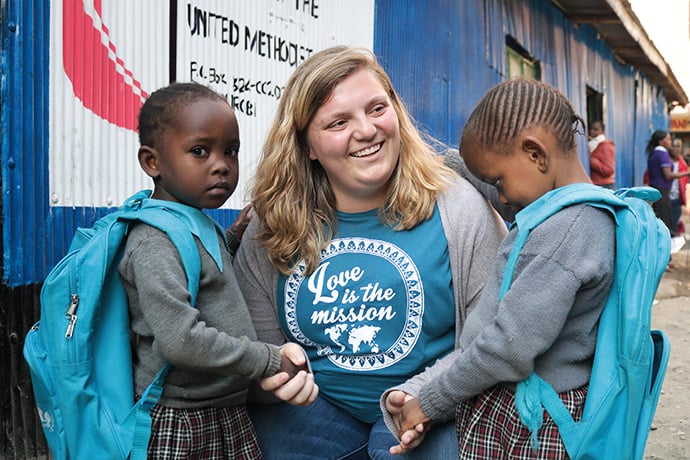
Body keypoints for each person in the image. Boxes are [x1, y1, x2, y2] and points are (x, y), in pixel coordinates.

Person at [232, 46, 507, 459]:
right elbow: (257, 354)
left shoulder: (457, 206)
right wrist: (272, 380)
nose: (366, 130)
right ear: (308, 145)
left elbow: (491, 337)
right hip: (317, 408)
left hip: (434, 401)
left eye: (376, 108)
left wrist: (421, 397)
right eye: (339, 122)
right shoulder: (271, 225)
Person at [382, 78, 617, 458]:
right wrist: (441, 162)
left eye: (499, 181)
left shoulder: (568, 231)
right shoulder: (564, 206)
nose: (501, 197)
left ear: (536, 155)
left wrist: (431, 399)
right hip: (523, 404)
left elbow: (508, 348)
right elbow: (507, 196)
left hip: (535, 423)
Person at [117, 82, 318, 458]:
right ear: (152, 162)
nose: (221, 164)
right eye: (199, 151)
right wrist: (268, 359)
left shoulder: (196, 223)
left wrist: (234, 236)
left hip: (224, 408)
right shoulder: (153, 241)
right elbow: (180, 340)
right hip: (182, 420)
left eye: (231, 151)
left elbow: (205, 270)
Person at [646, 130, 690, 241]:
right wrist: (687, 173)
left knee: (662, 221)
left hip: (657, 190)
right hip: (662, 192)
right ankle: (665, 253)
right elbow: (668, 175)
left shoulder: (655, 153)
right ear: (661, 141)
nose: (670, 142)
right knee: (665, 223)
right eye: (668, 139)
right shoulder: (662, 154)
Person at [587, 120, 616, 189]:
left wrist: (591, 160)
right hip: (599, 185)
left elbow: (609, 170)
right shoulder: (593, 145)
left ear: (602, 132)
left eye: (595, 130)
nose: (592, 131)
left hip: (605, 186)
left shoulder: (605, 146)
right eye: (591, 129)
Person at [670, 138, 688, 237]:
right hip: (664, 198)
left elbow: (684, 183)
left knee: (674, 226)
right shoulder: (664, 160)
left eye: (677, 146)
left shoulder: (683, 164)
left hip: (677, 199)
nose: (674, 148)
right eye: (673, 145)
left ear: (681, 148)